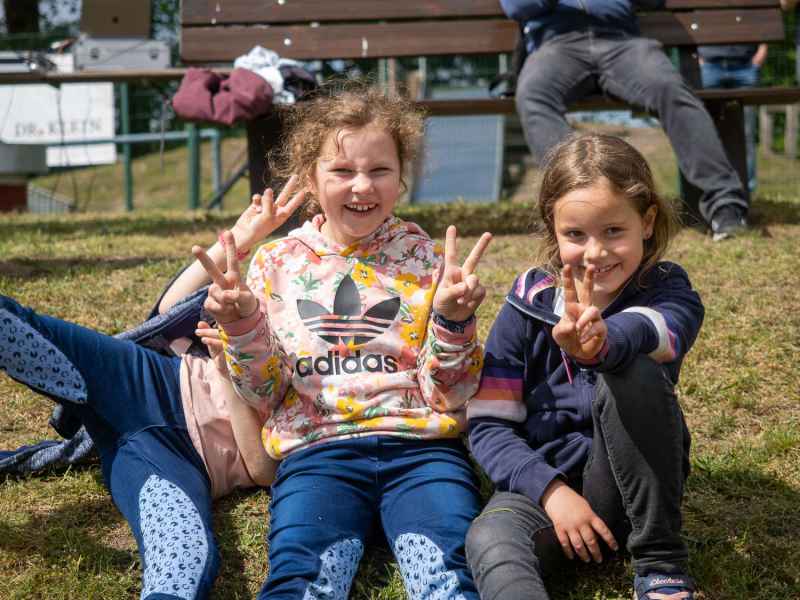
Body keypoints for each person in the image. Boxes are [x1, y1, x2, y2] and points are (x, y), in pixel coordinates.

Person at [194, 85, 493, 599]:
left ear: (402, 177)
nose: (362, 186)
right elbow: (265, 393)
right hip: (317, 455)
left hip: (422, 453)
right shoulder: (275, 263)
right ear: (310, 178)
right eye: (342, 171)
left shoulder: (426, 260)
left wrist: (453, 321)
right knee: (299, 579)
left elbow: (449, 395)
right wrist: (242, 326)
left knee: (450, 575)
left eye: (380, 170)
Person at [0, 180, 307, 599]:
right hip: (149, 380)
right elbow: (170, 309)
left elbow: (262, 471)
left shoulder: (345, 395)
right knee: (17, 325)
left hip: (182, 460)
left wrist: (227, 371)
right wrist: (239, 238)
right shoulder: (282, 305)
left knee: (184, 561)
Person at [464, 134, 705, 600]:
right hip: (542, 493)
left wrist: (603, 344)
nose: (595, 253)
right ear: (553, 230)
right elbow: (489, 424)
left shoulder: (668, 290)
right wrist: (551, 492)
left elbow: (656, 331)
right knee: (487, 537)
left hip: (627, 493)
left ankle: (660, 564)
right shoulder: (528, 303)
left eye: (613, 230)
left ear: (647, 221)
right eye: (576, 235)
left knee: (633, 370)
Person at [501, 0, 749, 241]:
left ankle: (725, 206)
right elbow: (516, 6)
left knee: (669, 88)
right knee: (533, 95)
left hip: (621, 42)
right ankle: (573, 198)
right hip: (555, 45)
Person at [699, 43, 768, 194]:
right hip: (710, 67)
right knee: (709, 134)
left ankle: (746, 190)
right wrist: (700, 61)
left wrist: (758, 58)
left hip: (746, 67)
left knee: (747, 134)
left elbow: (764, 35)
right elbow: (691, 30)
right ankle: (714, 189)